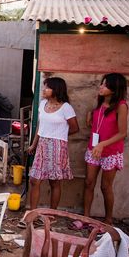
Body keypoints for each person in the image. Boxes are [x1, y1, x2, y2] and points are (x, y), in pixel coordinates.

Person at [27, 77, 79, 210]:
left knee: (54, 182)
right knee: (34, 180)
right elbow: (41, 125)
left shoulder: (66, 107)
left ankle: (52, 213)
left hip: (57, 147)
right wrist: (34, 144)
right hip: (42, 145)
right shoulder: (42, 104)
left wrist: (58, 136)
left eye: (47, 87)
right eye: (44, 86)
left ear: (56, 90)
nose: (44, 90)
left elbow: (74, 128)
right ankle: (32, 213)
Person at [84, 73, 128, 225]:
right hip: (93, 149)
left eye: (104, 85)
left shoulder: (121, 106)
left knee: (105, 186)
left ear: (115, 89)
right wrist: (90, 115)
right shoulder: (100, 102)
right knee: (89, 183)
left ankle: (108, 221)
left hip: (110, 152)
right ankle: (85, 218)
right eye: (101, 84)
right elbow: (100, 124)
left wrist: (103, 144)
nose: (101, 87)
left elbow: (123, 133)